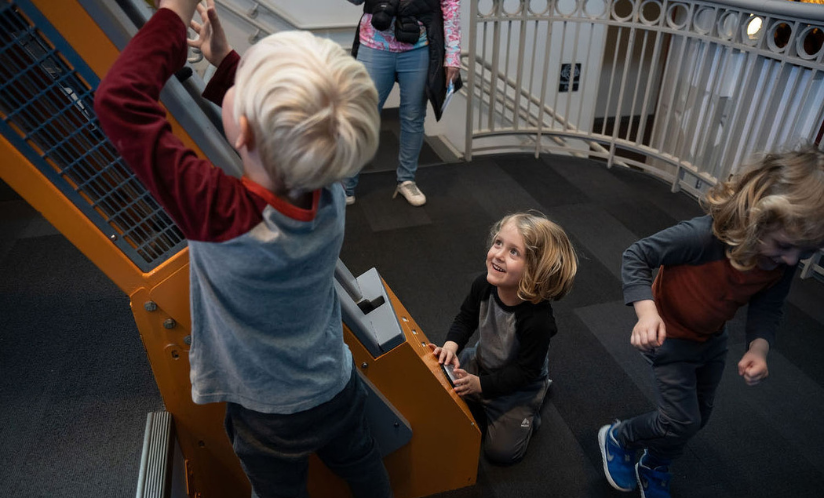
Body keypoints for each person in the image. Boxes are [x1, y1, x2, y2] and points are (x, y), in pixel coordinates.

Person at [94, 1, 392, 497]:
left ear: (242, 133)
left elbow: (118, 101)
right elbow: (286, 137)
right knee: (360, 460)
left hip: (267, 413)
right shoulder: (330, 187)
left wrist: (173, 11)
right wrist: (225, 59)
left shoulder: (217, 212)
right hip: (334, 385)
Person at [598, 146, 824, 498]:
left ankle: (655, 462)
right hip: (668, 336)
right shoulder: (703, 237)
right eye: (784, 246)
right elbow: (637, 255)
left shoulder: (781, 263)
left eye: (804, 252)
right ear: (757, 218)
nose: (792, 259)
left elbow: (768, 308)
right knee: (681, 419)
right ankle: (619, 437)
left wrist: (759, 349)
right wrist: (647, 312)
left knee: (698, 416)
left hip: (710, 340)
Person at [429, 212, 578, 464]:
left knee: (500, 454)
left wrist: (480, 386)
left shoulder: (537, 320)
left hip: (520, 386)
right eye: (498, 243)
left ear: (536, 269)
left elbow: (525, 371)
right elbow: (465, 318)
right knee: (433, 383)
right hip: (482, 361)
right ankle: (479, 394)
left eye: (514, 252)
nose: (498, 254)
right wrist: (451, 346)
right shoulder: (483, 284)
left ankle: (530, 413)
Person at [343, 0, 462, 207]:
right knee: (361, 117)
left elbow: (450, 5)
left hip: (418, 46)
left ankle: (406, 179)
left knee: (414, 116)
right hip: (374, 45)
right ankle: (345, 184)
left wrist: (453, 56)